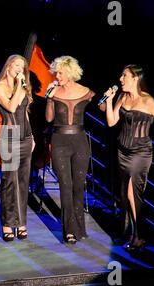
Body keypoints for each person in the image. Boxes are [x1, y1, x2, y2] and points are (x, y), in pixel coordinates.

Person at [103, 64, 154, 252]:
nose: (120, 79)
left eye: (124, 76)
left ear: (135, 79)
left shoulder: (148, 101)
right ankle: (133, 233)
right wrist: (108, 101)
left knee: (134, 193)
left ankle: (137, 236)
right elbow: (111, 122)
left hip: (141, 151)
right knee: (125, 194)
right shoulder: (122, 96)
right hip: (123, 151)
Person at [45, 55, 95, 244]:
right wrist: (49, 99)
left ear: (70, 72)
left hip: (80, 141)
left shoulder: (87, 92)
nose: (57, 76)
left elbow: (101, 107)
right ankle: (69, 230)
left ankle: (79, 228)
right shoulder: (54, 91)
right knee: (65, 185)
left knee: (78, 186)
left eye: (60, 72)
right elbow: (49, 119)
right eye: (56, 72)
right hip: (59, 141)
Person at [0, 54, 35, 241]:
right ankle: (8, 223)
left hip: (24, 137)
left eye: (22, 67)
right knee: (10, 182)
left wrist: (32, 136)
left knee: (23, 182)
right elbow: (10, 107)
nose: (20, 69)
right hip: (9, 138)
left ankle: (21, 222)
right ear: (8, 66)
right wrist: (19, 87)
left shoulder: (23, 87)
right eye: (17, 65)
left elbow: (24, 113)